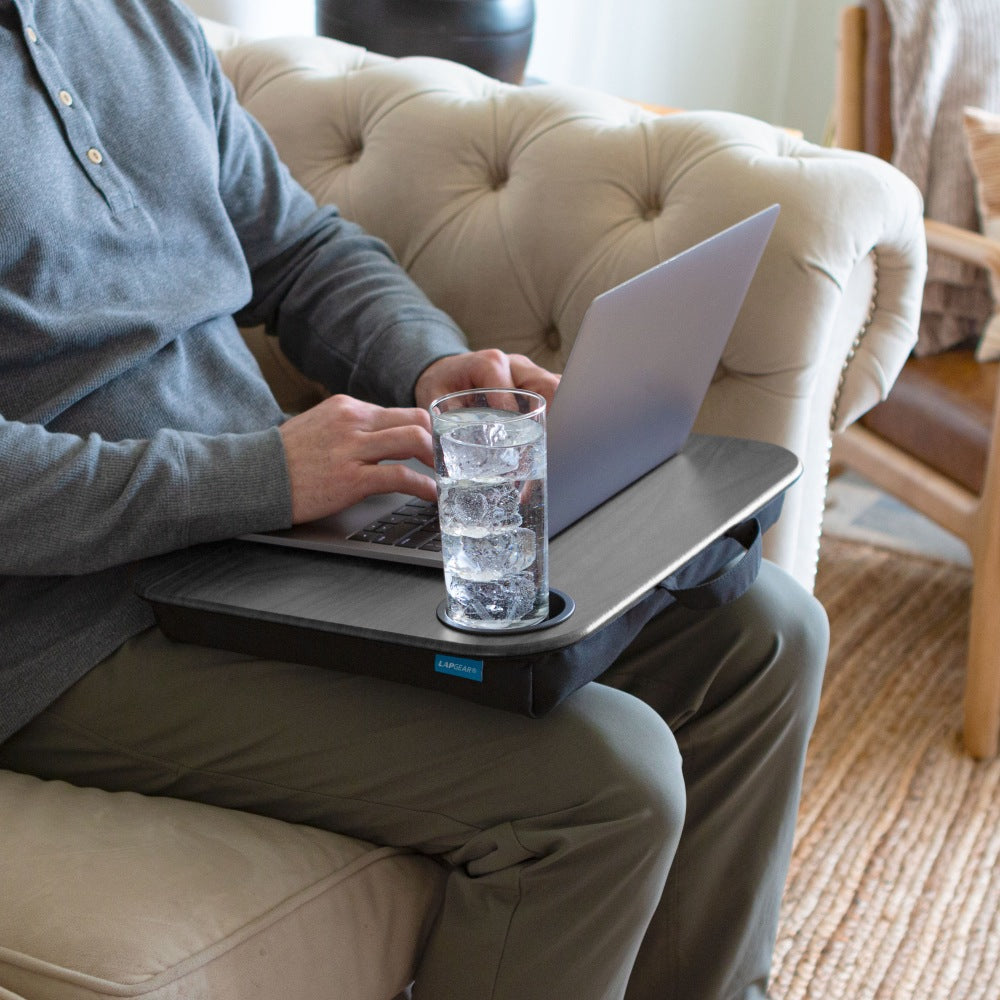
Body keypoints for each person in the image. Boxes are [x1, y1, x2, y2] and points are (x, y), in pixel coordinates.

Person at [0, 1, 829, 997]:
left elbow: (302, 251)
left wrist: (431, 366)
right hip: (66, 626)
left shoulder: (132, 20)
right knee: (602, 785)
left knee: (761, 632)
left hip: (265, 540)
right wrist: (262, 474)